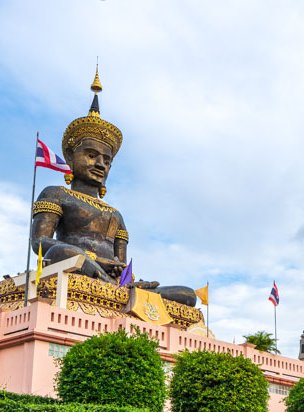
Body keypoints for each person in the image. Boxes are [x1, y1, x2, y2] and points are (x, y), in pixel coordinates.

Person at [30, 69, 196, 307]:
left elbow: (121, 264)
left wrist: (121, 275)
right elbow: (39, 243)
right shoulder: (56, 194)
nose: (99, 164)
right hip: (73, 268)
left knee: (187, 294)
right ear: (70, 157)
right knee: (71, 254)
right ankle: (115, 290)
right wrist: (92, 260)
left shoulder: (115, 215)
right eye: (91, 155)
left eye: (106, 161)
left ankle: (120, 292)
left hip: (113, 282)